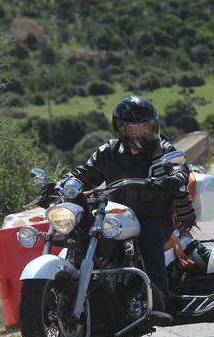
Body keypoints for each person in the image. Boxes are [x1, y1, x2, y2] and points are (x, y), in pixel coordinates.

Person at [64, 95, 196, 312]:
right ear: (122, 129)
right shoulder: (108, 152)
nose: (144, 132)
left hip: (155, 217)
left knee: (148, 234)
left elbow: (179, 167)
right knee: (86, 234)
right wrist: (64, 184)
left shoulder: (162, 149)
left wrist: (175, 178)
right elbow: (84, 173)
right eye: (137, 128)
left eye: (147, 126)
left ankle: (159, 297)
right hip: (118, 218)